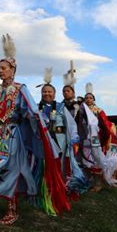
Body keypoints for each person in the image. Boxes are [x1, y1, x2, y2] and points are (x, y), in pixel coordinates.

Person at [0, 35, 70, 224]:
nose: (0, 71)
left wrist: (37, 124)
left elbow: (31, 110)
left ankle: (12, 210)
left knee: (12, 169)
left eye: (4, 68)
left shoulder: (20, 89)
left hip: (11, 135)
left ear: (13, 70)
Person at [37, 69, 88, 201]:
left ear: (54, 94)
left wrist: (73, 138)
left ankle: (59, 189)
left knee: (60, 165)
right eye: (44, 91)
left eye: (49, 91)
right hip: (43, 141)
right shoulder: (37, 108)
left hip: (60, 140)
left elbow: (71, 123)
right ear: (41, 93)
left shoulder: (60, 107)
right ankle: (44, 189)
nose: (47, 93)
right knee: (43, 164)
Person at [83, 83, 117, 190]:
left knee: (97, 160)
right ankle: (88, 182)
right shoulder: (82, 110)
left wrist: (110, 132)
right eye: (86, 98)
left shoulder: (98, 110)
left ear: (94, 99)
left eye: (90, 97)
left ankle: (98, 184)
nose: (88, 99)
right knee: (86, 160)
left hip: (97, 138)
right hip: (85, 138)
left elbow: (105, 123)